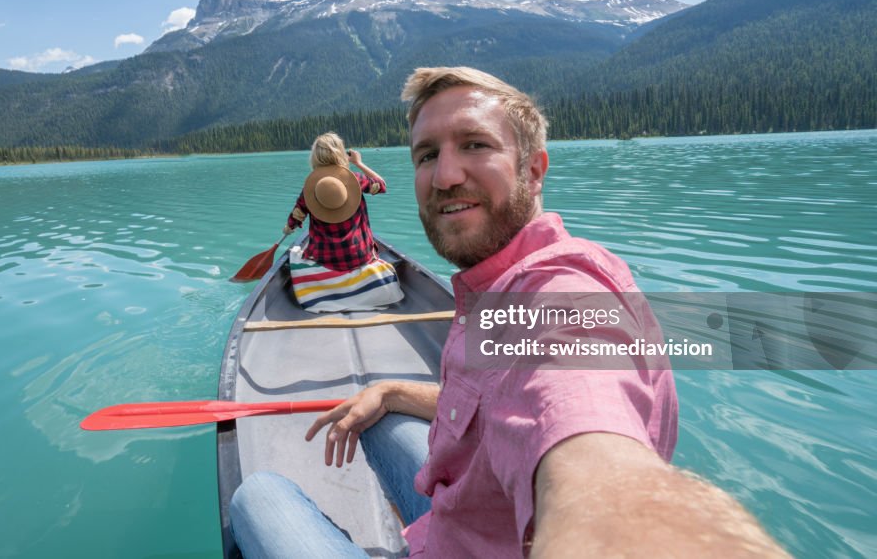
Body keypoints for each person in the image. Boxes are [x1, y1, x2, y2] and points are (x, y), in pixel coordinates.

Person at [230, 68, 789, 557]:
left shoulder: (561, 298)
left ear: (535, 170)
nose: (445, 175)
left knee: (256, 497)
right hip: (466, 525)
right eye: (428, 154)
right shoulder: (502, 285)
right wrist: (394, 391)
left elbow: (584, 435)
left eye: (475, 144)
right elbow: (502, 395)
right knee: (381, 416)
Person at [284, 132, 403, 311]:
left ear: (315, 157)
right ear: (339, 154)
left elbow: (296, 215)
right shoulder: (355, 180)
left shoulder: (310, 189)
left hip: (323, 258)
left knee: (296, 252)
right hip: (360, 256)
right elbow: (381, 184)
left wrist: (288, 228)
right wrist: (358, 163)